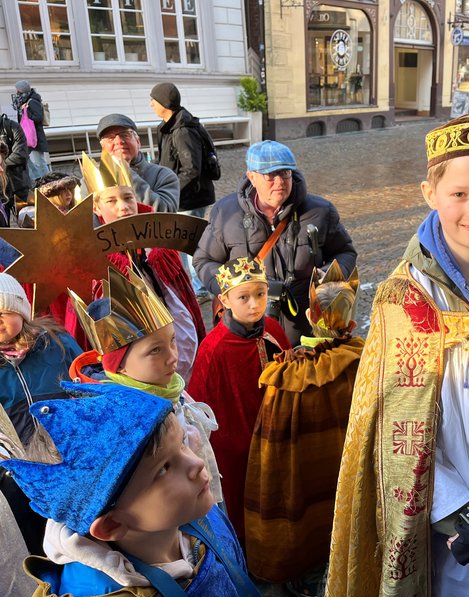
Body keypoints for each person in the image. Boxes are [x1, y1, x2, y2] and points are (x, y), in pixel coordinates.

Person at [326, 115, 469, 597]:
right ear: (430, 192)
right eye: (458, 194)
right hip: (435, 523)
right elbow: (391, 427)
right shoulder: (399, 300)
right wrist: (458, 518)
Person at [1, 382, 266, 597]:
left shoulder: (201, 516)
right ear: (113, 524)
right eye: (163, 469)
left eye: (182, 444)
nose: (196, 464)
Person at [246, 261, 364, 597]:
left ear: (311, 318)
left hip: (304, 473)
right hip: (345, 469)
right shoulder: (366, 358)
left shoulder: (289, 373)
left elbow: (273, 443)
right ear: (352, 321)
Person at [67, 265, 223, 508]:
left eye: (172, 341)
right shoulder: (119, 424)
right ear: (119, 367)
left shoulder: (169, 387)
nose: (173, 357)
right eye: (155, 350)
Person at [193, 140, 357, 345]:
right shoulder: (226, 213)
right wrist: (234, 290)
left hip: (306, 327)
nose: (279, 181)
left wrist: (329, 275)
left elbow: (345, 252)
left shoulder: (320, 211)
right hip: (249, 327)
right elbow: (204, 261)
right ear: (251, 177)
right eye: (270, 175)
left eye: (285, 173)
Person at [187, 257, 290, 543]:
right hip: (238, 449)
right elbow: (202, 409)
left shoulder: (274, 331)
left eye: (260, 294)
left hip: (277, 436)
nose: (254, 304)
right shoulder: (214, 349)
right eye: (243, 297)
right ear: (225, 300)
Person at [81, 151, 205, 379]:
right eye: (111, 201)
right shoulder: (93, 259)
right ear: (97, 209)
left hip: (177, 344)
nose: (123, 207)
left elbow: (184, 295)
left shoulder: (160, 243)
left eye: (128, 198)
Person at [0, 272, 82, 557]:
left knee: (80, 529)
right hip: (21, 471)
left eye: (4, 311)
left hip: (71, 455)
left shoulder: (55, 343)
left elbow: (83, 382)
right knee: (39, 539)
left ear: (21, 310)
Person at [149, 83, 214, 297]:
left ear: (164, 104)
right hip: (183, 197)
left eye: (153, 100)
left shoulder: (182, 130)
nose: (150, 104)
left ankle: (201, 288)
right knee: (186, 244)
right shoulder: (169, 126)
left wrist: (171, 194)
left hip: (190, 197)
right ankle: (196, 285)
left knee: (189, 245)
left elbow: (191, 169)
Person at [96, 113, 180, 213]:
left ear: (138, 141)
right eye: (110, 138)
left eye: (125, 135)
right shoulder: (93, 178)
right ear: (103, 147)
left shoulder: (163, 175)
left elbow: (166, 213)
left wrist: (126, 172)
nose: (119, 141)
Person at [11, 80, 49, 181]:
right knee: (24, 158)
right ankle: (37, 178)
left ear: (21, 90)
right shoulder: (24, 101)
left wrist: (26, 111)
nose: (16, 92)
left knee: (39, 161)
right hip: (27, 136)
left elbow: (38, 117)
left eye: (17, 89)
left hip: (34, 137)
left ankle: (48, 181)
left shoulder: (32, 101)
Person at [0, 112, 31, 209]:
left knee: (26, 217)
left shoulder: (12, 127)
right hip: (1, 187)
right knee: (3, 222)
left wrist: (2, 164)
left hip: (18, 183)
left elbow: (20, 155)